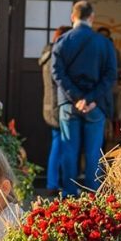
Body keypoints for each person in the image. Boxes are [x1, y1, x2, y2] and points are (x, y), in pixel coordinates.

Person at [51, 1, 117, 195]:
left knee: (69, 151)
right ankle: (91, 195)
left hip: (69, 104)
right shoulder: (104, 43)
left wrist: (76, 97)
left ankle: (69, 196)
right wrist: (90, 98)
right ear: (92, 18)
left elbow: (57, 73)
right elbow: (110, 75)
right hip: (95, 106)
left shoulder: (62, 41)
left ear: (73, 17)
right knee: (93, 152)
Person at [39, 25, 72, 196]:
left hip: (49, 104)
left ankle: (53, 182)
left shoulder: (47, 53)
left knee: (57, 143)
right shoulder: (57, 55)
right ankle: (54, 183)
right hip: (58, 104)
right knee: (61, 145)